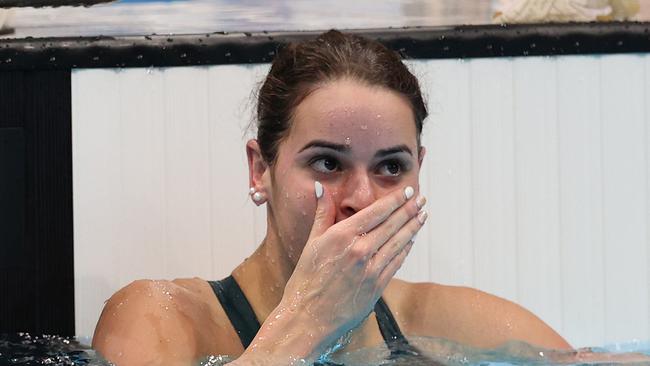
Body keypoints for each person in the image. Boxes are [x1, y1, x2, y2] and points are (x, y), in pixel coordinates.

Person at [91, 30, 571, 366]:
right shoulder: (164, 317)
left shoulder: (448, 328)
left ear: (418, 172)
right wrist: (311, 317)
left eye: (390, 167)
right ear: (261, 169)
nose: (361, 198)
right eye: (327, 163)